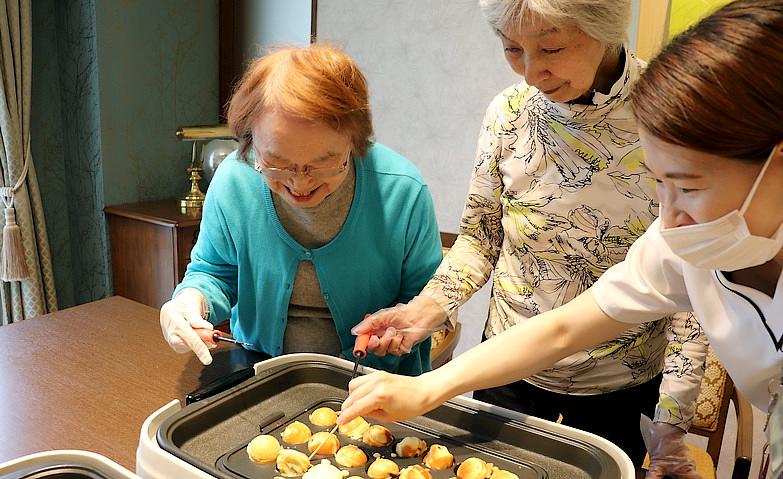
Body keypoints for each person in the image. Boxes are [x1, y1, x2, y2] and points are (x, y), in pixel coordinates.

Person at [340, 1, 783, 477]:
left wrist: (670, 422)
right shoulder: (677, 240)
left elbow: (689, 316)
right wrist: (427, 380)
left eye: (689, 187)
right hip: (512, 368)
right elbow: (562, 326)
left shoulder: (675, 129)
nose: (669, 222)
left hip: (622, 383)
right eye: (657, 184)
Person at [158, 44, 443, 376]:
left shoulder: (401, 191)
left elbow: (429, 299)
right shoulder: (235, 181)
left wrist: (402, 329)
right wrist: (190, 302)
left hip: (376, 382)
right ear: (252, 140)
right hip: (261, 375)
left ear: (355, 139)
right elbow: (214, 273)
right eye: (277, 164)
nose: (300, 184)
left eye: (321, 165)